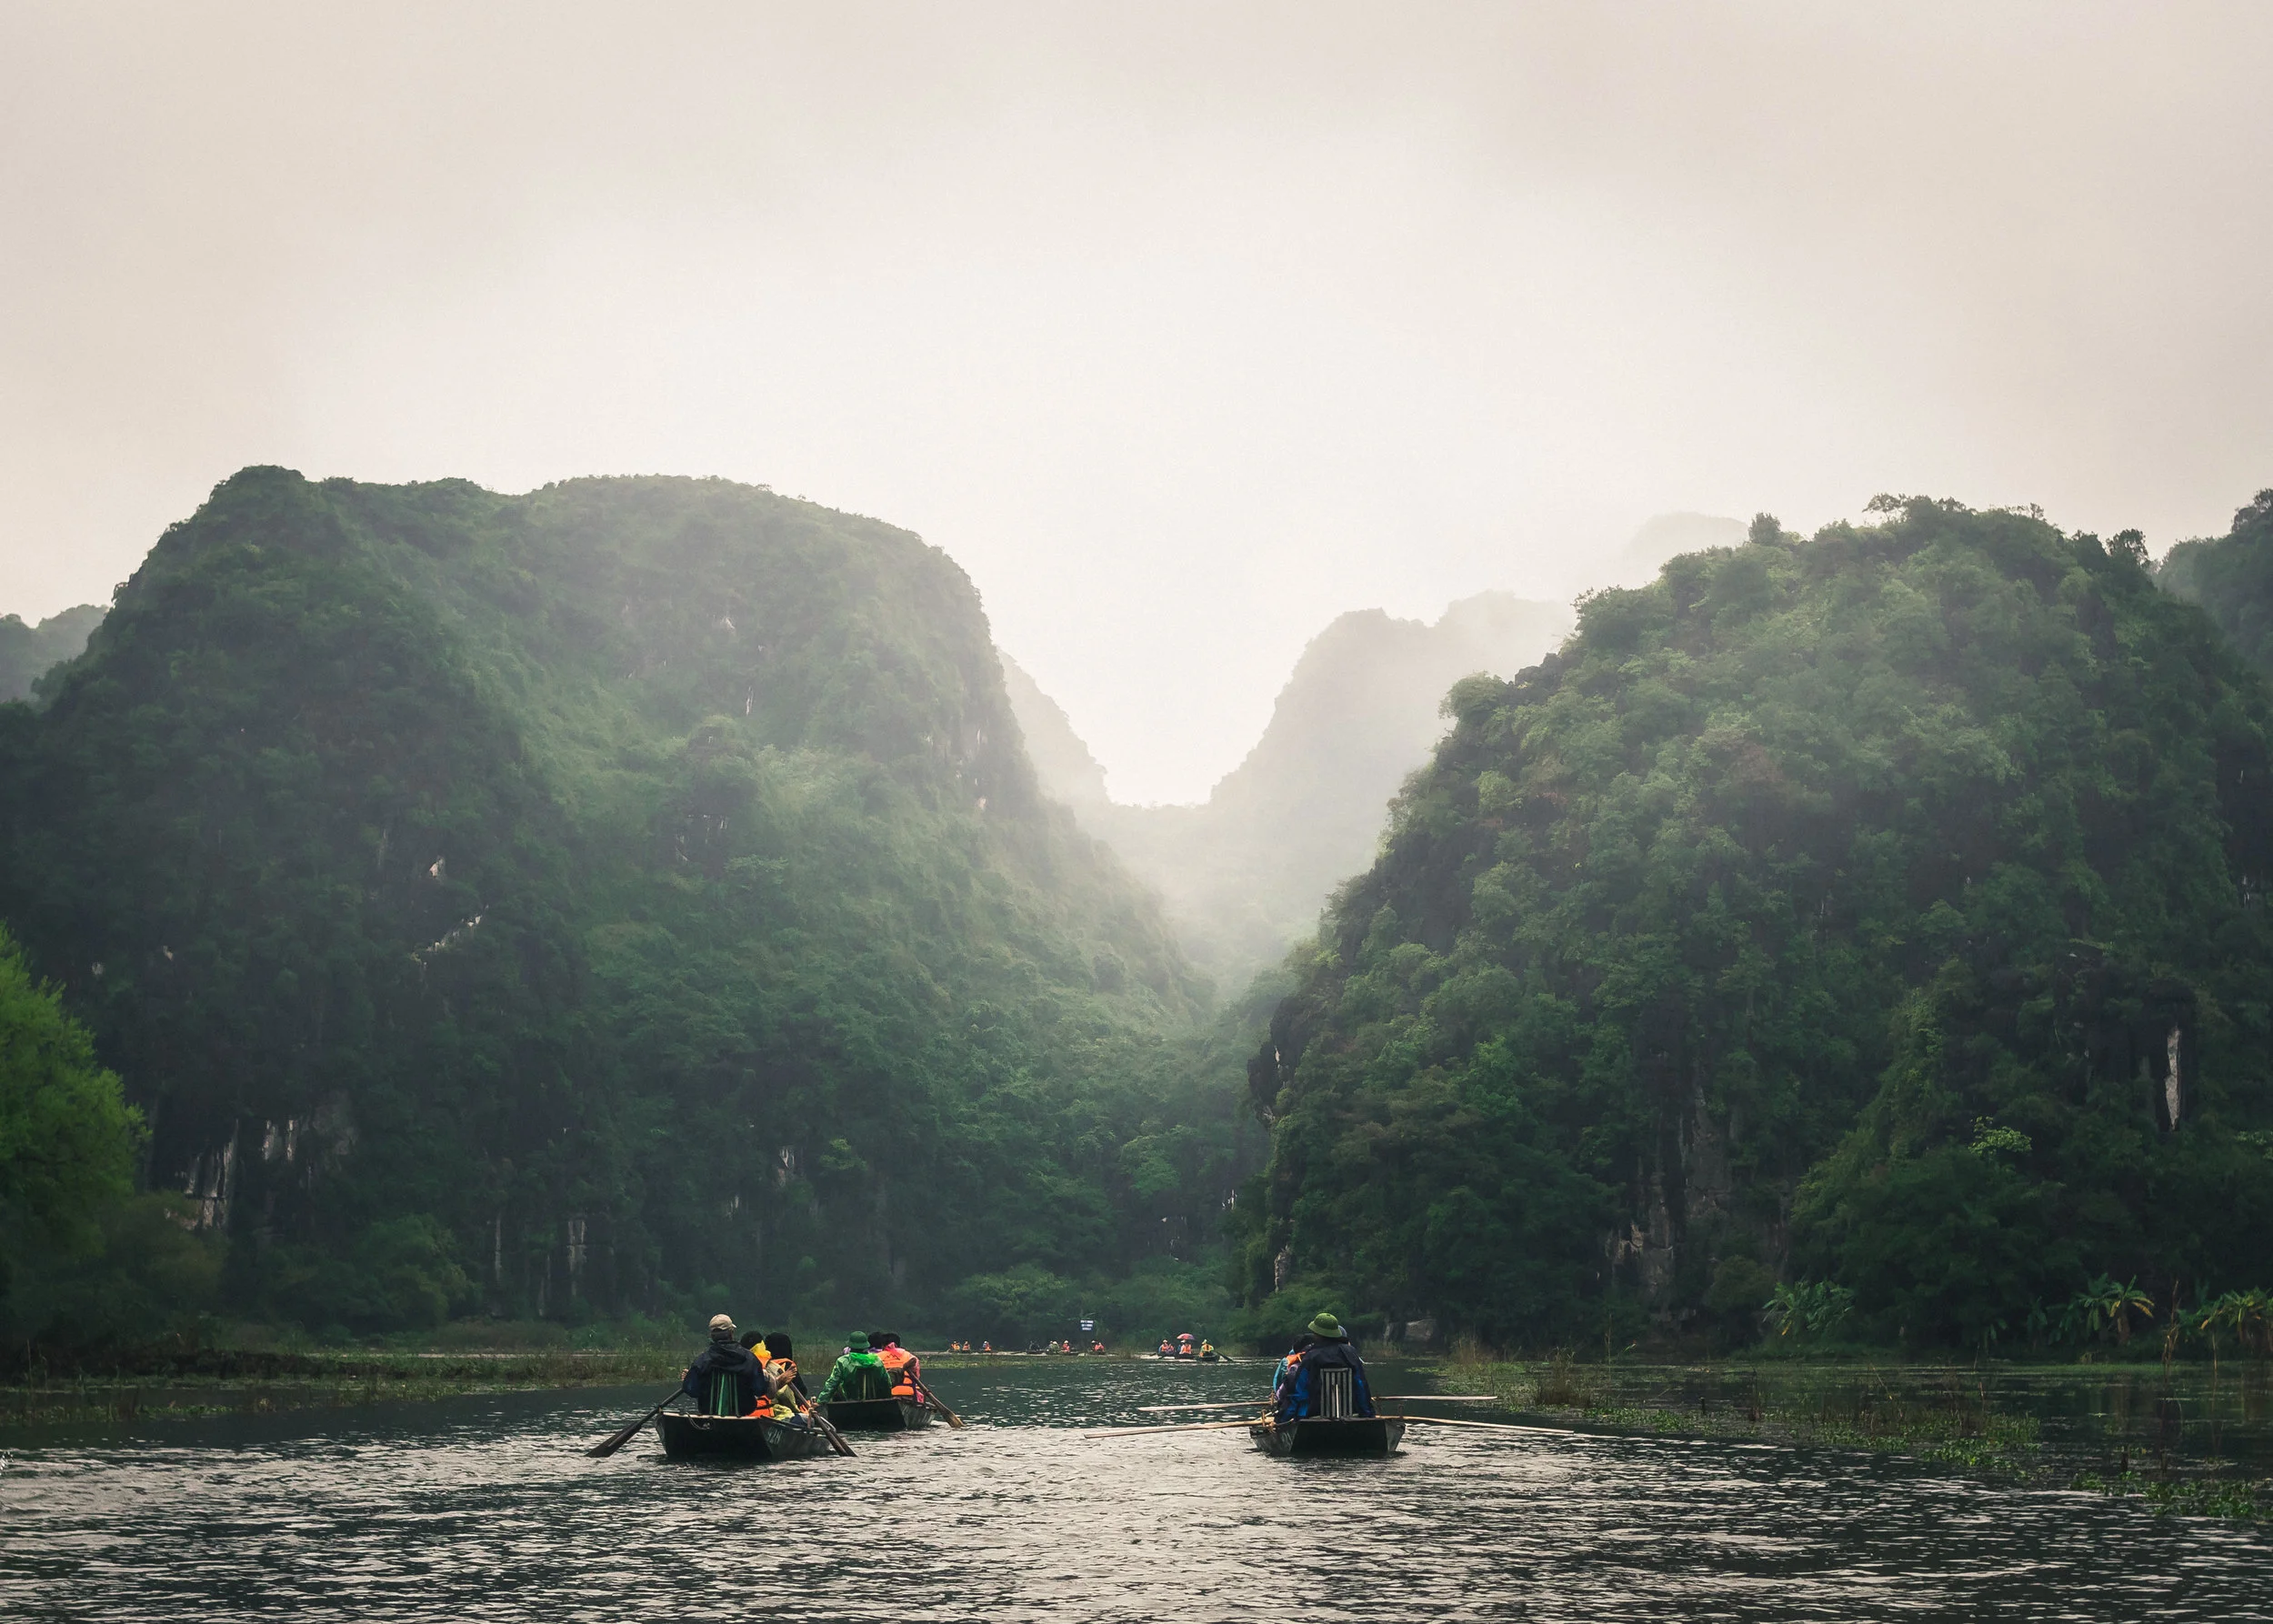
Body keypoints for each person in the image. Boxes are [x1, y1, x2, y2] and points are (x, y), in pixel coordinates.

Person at [1272, 1313, 1375, 1424]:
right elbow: (1361, 1386)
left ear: (1317, 1334)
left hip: (1311, 1417)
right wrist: (1368, 1414)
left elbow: (1299, 1393)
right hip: (1351, 1415)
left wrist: (1281, 1419)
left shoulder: (1310, 1357)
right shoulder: (1351, 1353)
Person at [681, 1313, 776, 1417]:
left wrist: (688, 1379)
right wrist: (766, 1378)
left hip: (710, 1422)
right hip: (743, 1422)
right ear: (731, 1333)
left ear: (711, 1336)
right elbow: (760, 1390)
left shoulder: (701, 1361)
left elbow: (692, 1391)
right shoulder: (750, 1359)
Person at [817, 1331, 894, 1402]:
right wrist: (886, 1400)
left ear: (851, 1346)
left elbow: (832, 1384)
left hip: (849, 1403)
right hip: (874, 1403)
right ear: (866, 1346)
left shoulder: (843, 1361)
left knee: (838, 1388)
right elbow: (886, 1383)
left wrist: (820, 1401)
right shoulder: (877, 1360)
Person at [876, 1331, 921, 1399]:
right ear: (899, 1345)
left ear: (882, 1345)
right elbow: (917, 1377)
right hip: (908, 1394)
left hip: (885, 1395)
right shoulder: (910, 1357)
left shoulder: (876, 1357)